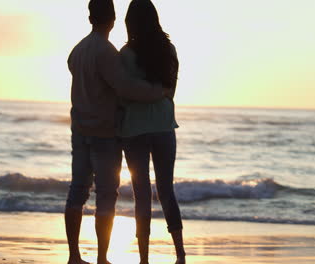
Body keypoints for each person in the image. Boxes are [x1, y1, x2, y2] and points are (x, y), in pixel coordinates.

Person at [65, 1, 168, 264]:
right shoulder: (106, 52)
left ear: (90, 18)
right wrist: (159, 92)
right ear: (112, 19)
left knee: (78, 190)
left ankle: (74, 256)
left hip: (79, 130)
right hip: (104, 133)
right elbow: (126, 88)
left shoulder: (77, 51)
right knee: (106, 195)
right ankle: (101, 258)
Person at [119, 1, 186, 263]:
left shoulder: (125, 54)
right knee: (167, 190)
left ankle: (144, 259)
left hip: (134, 128)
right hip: (163, 126)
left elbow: (123, 95)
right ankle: (180, 254)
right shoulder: (168, 49)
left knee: (141, 193)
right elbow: (170, 92)